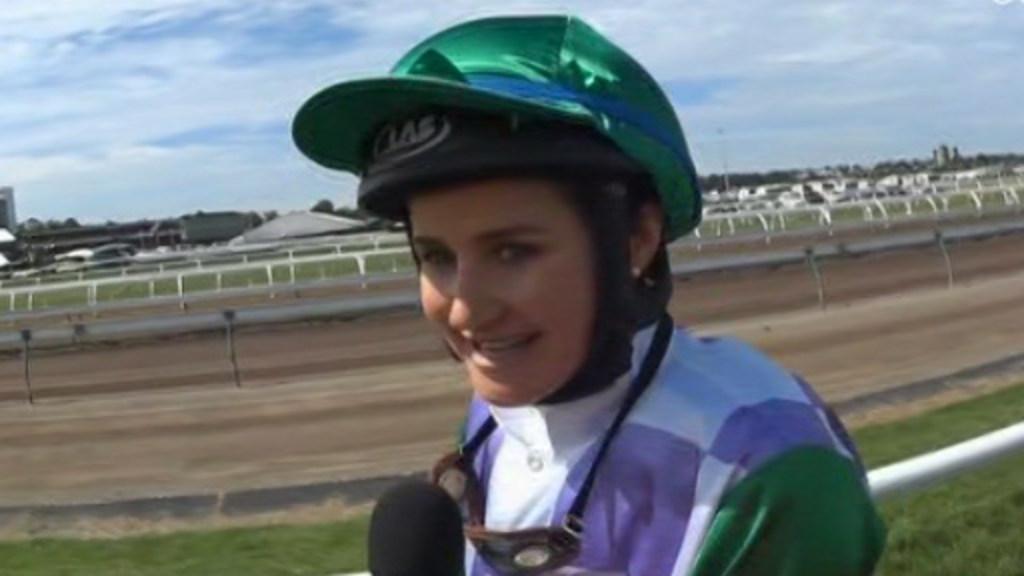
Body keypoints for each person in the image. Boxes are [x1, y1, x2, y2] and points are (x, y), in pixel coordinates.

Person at [293, 14, 886, 576]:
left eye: (511, 252)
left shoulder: (771, 471)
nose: (465, 308)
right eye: (436, 257)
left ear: (636, 239)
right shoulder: (500, 412)